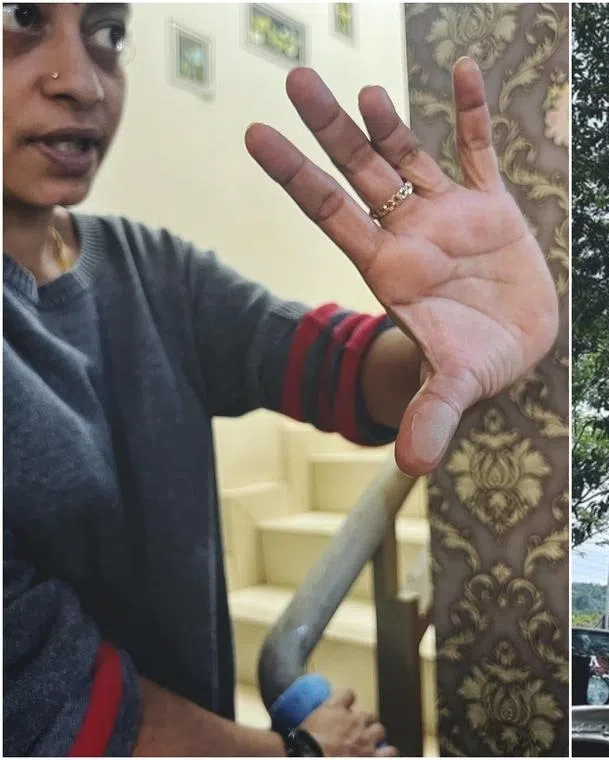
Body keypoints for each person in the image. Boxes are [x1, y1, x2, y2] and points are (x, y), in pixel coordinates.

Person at [3, 2, 557, 756]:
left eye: (108, 33)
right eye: (21, 18)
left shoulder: (149, 268)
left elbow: (335, 366)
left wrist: (461, 338)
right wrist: (300, 751)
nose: (83, 82)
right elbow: (38, 703)